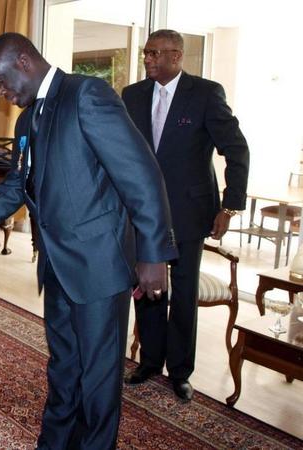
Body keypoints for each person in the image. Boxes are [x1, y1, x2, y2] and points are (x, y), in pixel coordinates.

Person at [0, 32, 178, 450]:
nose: (2, 92)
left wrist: (154, 255)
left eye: (2, 81)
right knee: (63, 368)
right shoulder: (27, 119)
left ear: (25, 61)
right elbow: (18, 186)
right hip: (56, 266)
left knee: (99, 379)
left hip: (99, 266)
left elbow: (141, 174)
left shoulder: (87, 94)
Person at [122, 29, 249, 402]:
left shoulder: (206, 94)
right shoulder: (132, 96)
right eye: (145, 53)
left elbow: (237, 150)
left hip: (192, 211)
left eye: (154, 54)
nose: (147, 59)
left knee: (183, 293)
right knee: (147, 287)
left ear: (176, 57)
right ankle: (149, 362)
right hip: (144, 212)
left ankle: (180, 371)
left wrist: (230, 206)